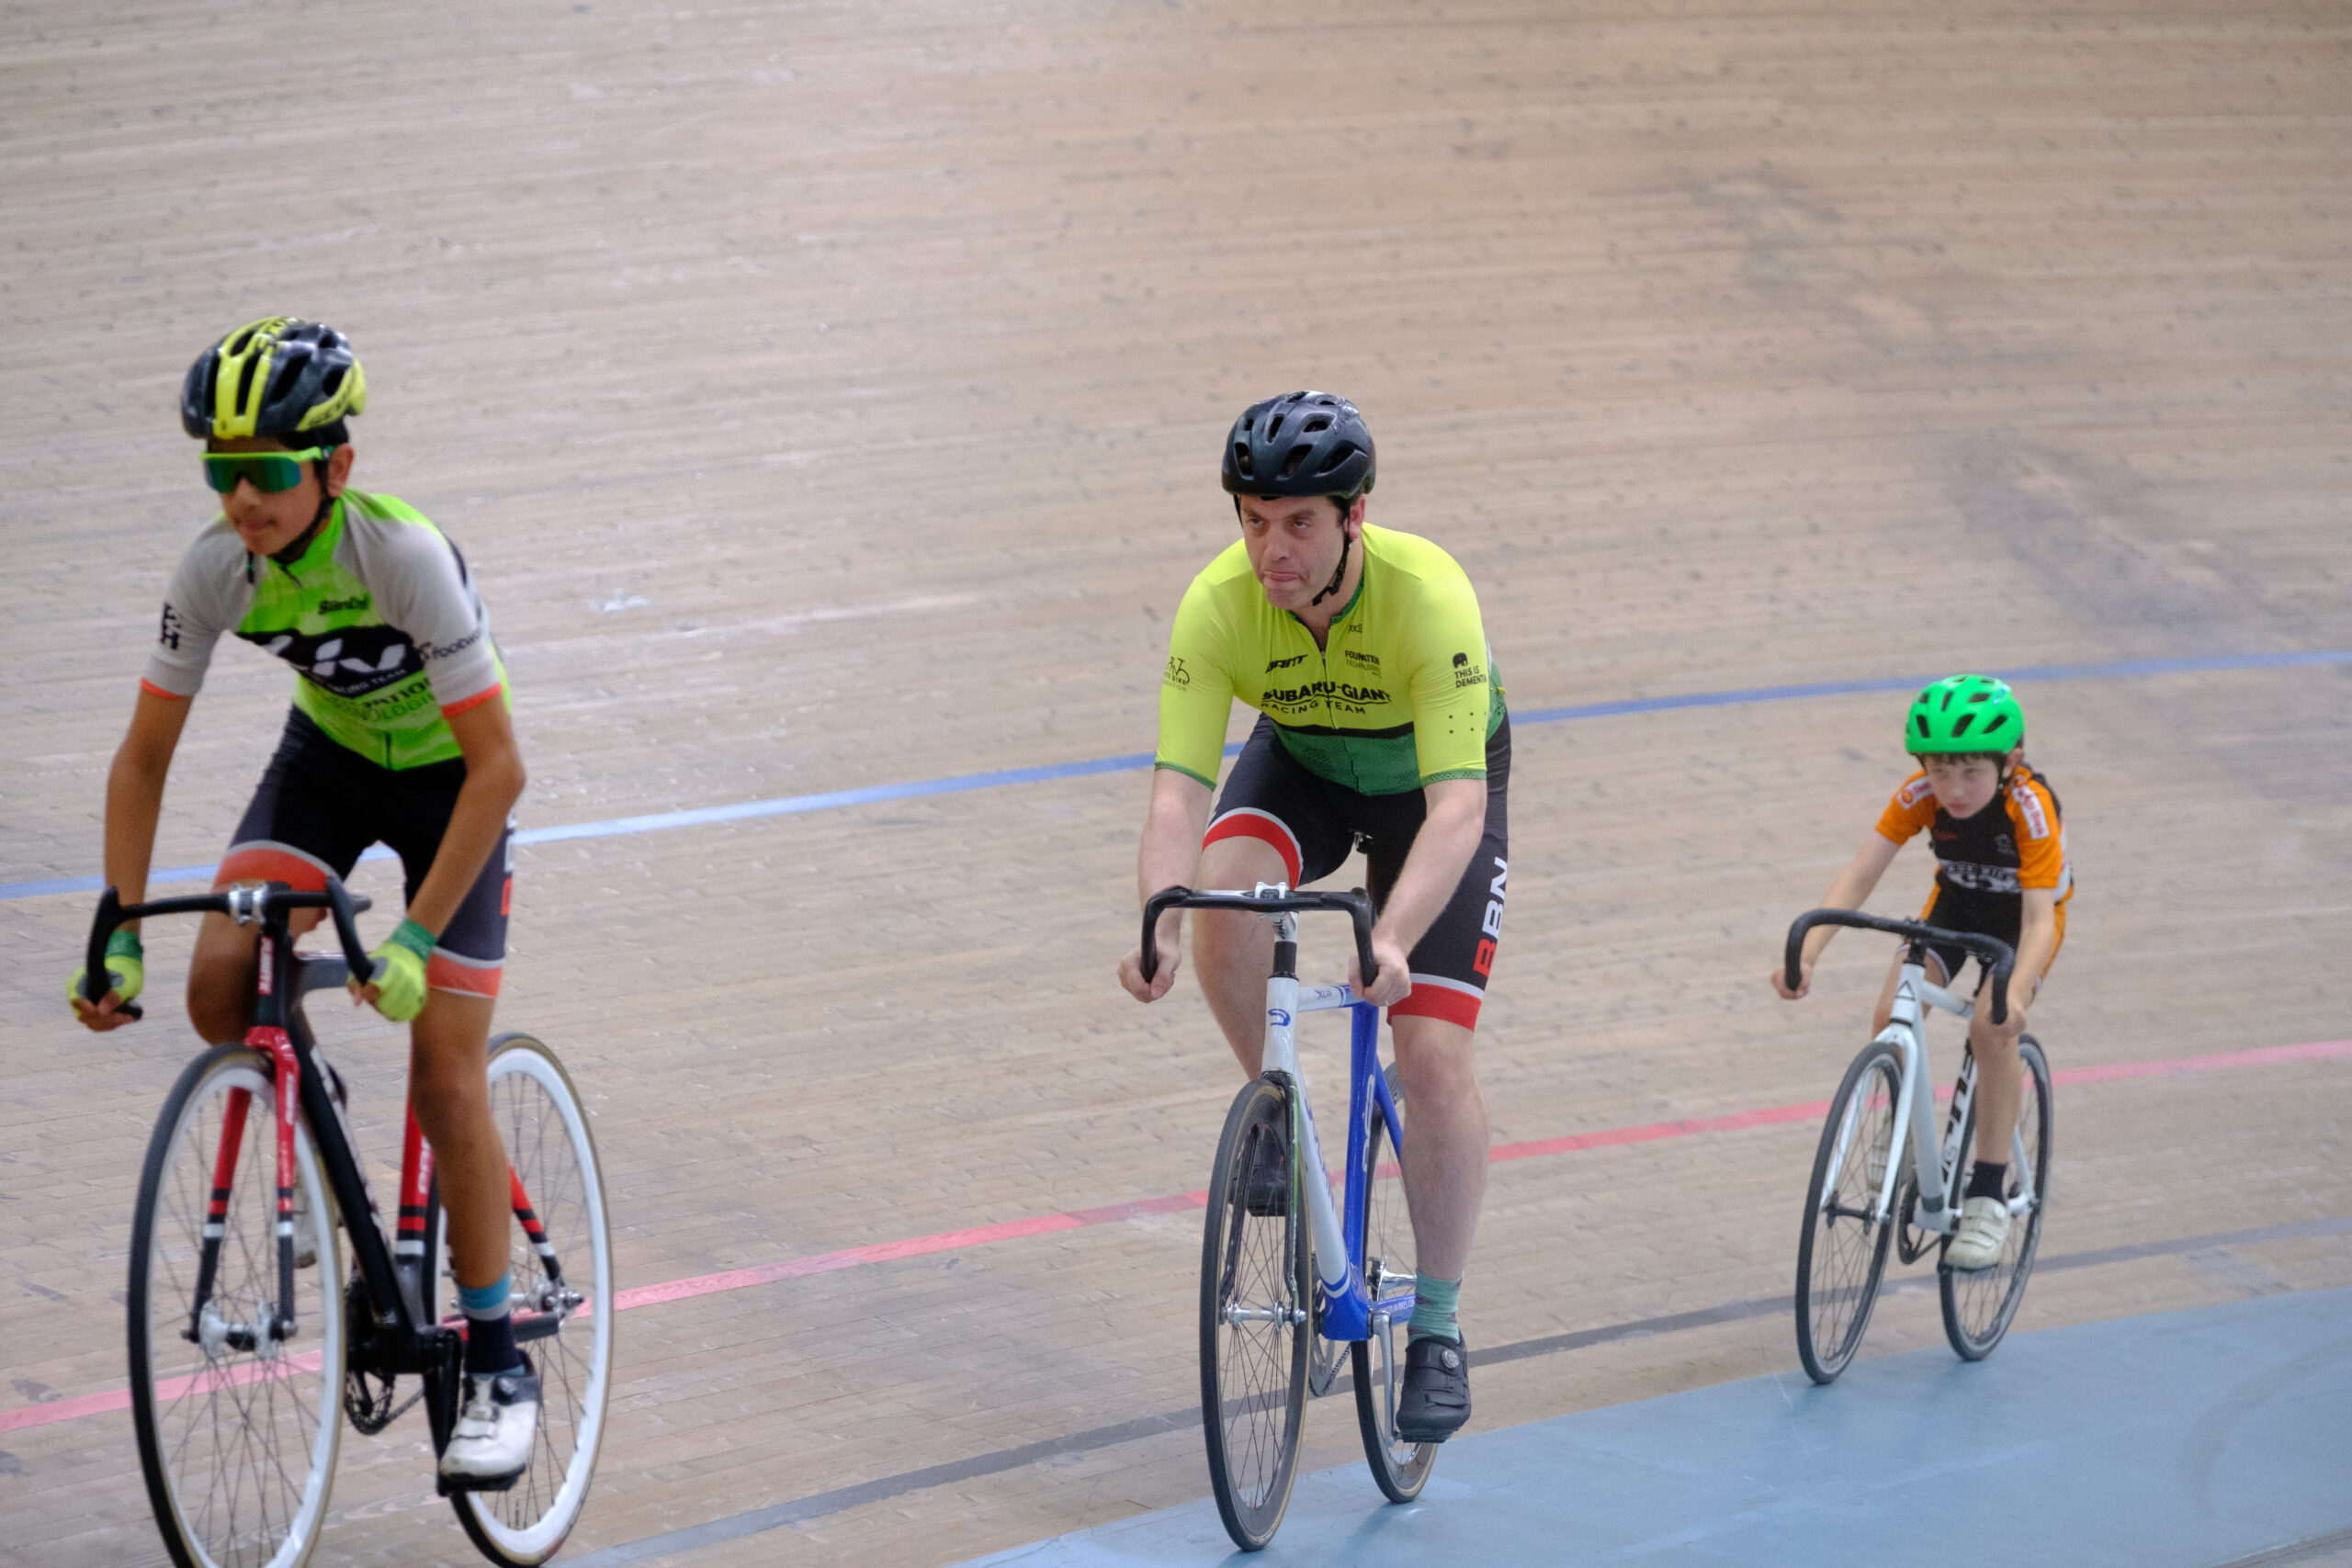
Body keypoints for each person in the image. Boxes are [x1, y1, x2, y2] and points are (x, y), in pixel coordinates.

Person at [69, 317, 538, 1484]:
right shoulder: (213, 570)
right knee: (219, 986)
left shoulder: (403, 558)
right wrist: (115, 932)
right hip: (325, 768)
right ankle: (310, 1092)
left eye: (268, 471)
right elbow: (142, 759)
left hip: (453, 786)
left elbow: (501, 769)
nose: (243, 499)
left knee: (444, 1076)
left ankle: (496, 1362)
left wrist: (415, 936)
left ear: (336, 466)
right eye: (221, 473)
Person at [1118, 391, 1509, 1441]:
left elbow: (1458, 810)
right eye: (1253, 521)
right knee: (1220, 894)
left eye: (1297, 523)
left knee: (1430, 1056)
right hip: (1305, 766)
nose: (1271, 550)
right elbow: (1175, 797)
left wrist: (1391, 936)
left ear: (1355, 516)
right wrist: (1158, 920)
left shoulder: (1428, 598)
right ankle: (1277, 1110)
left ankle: (1436, 1326)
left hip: (1430, 795)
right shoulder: (1217, 605)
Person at [1773, 674, 2071, 1269]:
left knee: (1991, 1028)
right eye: (1939, 771)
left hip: (2022, 923)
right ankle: (1905, 1139)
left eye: (1971, 772)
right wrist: (1810, 952)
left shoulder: (2030, 807)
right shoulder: (1919, 796)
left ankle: (1987, 1194)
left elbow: (2041, 921)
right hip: (1956, 908)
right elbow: (1862, 872)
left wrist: (2014, 992)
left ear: (2010, 762)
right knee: (1892, 1011)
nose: (1953, 790)